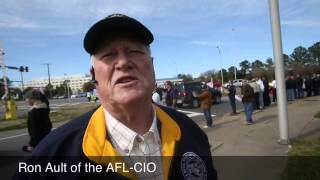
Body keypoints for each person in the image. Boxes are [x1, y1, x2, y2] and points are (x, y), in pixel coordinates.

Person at [15, 14, 217, 180]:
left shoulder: (191, 133)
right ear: (94, 76)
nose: (123, 62)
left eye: (135, 51)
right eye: (109, 55)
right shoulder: (50, 157)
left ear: (152, 66)